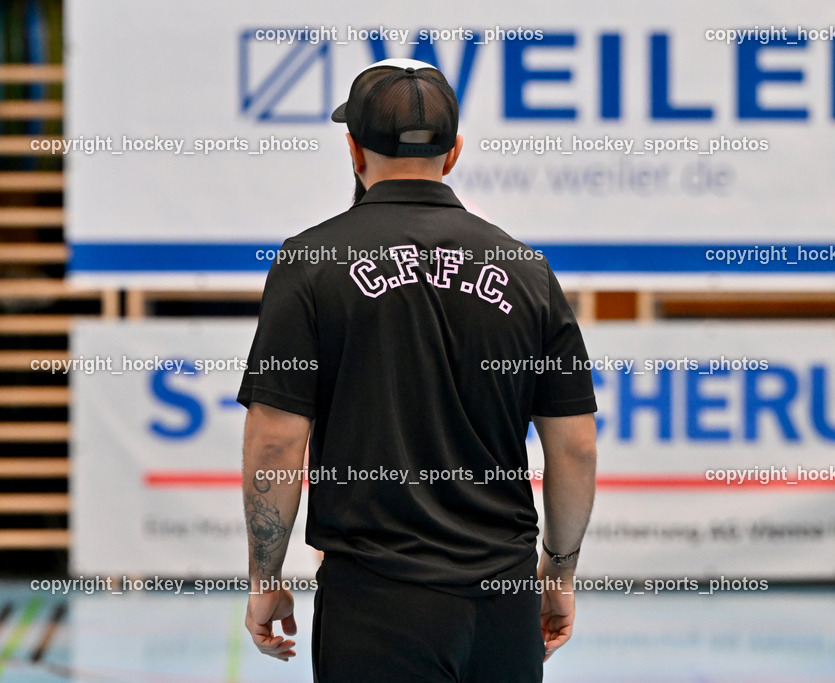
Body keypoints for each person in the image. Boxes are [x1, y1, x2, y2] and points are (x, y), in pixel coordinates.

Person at [238, 58, 598, 682]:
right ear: (453, 153)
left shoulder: (309, 265)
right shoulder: (528, 272)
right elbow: (575, 448)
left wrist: (266, 576)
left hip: (374, 604)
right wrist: (559, 572)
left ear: (353, 149)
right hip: (501, 602)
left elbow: (275, 440)